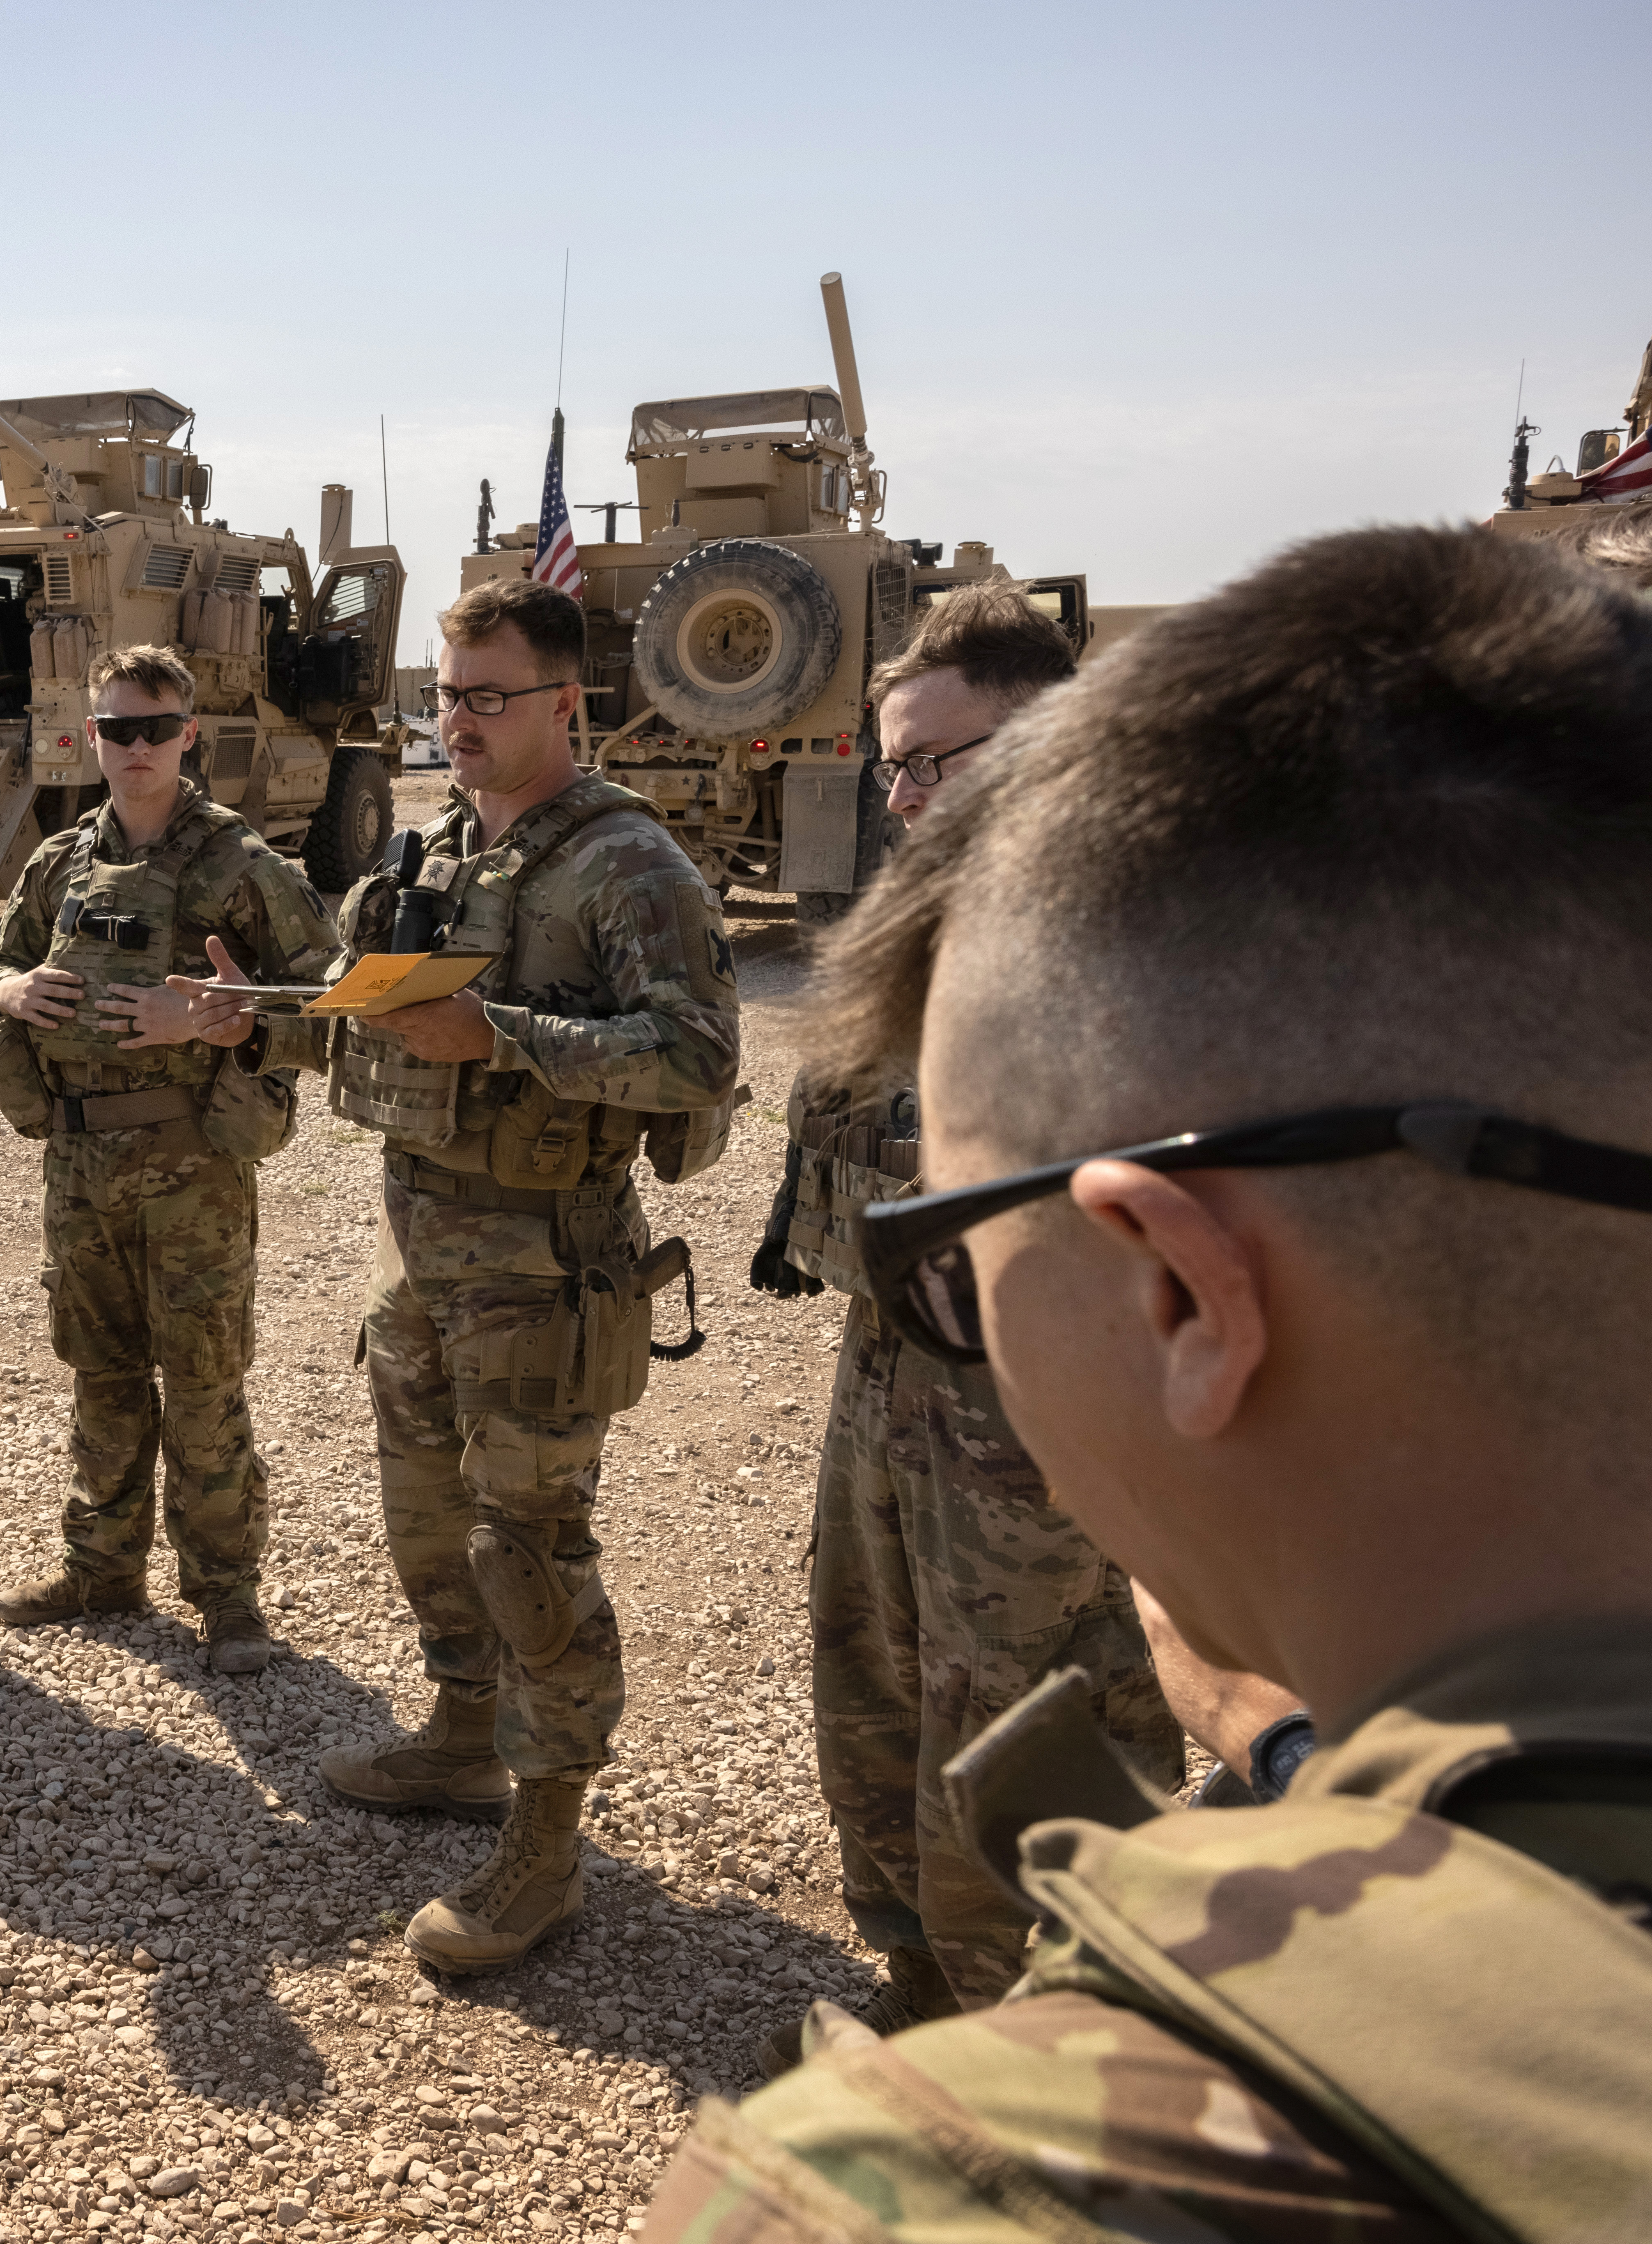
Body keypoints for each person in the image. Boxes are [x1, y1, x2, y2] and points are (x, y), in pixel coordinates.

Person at [646, 523, 1652, 2237]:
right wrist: (1287, 1754)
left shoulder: (921, 2192)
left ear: (1179, 1291)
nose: (904, 804)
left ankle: (982, 1988)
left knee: (1004, 1711)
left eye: (969, 1236)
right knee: (880, 1711)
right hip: (898, 1424)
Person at [748, 583, 1179, 2054]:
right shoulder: (914, 945)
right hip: (882, 1395)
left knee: (1025, 1739)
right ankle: (919, 1984)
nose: (907, 794)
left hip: (1042, 1441)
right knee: (868, 1702)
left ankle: (1052, 2055)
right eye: (894, 766)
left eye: (941, 760)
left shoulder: (1137, 963)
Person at [315, 577, 743, 1973]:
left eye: (488, 697)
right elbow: (360, 1015)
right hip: (427, 1265)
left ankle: (545, 1846)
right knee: (430, 1529)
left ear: (567, 702)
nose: (460, 722)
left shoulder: (628, 866)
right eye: (445, 695)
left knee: (532, 1555)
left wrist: (498, 1036)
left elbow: (697, 1058)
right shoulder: (432, 851)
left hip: (546, 1273)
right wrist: (245, 1017)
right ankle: (460, 1735)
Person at [0, 644, 337, 1673]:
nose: (135, 747)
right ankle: (102, 1567)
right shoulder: (59, 863)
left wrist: (230, 1025)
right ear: (90, 737)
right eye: (115, 729)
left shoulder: (242, 866)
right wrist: (9, 994)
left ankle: (227, 1597)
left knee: (205, 1381)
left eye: (154, 727)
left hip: (193, 1164)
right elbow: (3, 963)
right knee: (100, 1372)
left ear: (189, 734)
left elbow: (333, 999)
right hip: (80, 1162)